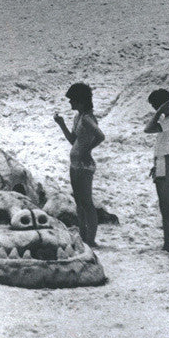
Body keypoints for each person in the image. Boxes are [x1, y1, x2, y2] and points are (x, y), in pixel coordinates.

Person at [53, 83, 105, 247]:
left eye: (72, 100)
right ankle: (84, 237)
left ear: (80, 101)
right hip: (76, 162)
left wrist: (87, 150)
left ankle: (91, 239)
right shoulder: (79, 117)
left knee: (87, 203)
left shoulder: (88, 118)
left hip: (83, 163)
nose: (70, 103)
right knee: (79, 203)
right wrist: (61, 124)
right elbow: (73, 141)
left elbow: (100, 136)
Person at [144, 89, 169, 252]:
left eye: (156, 105)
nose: (155, 109)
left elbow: (148, 129)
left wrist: (159, 112)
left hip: (165, 162)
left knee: (166, 205)